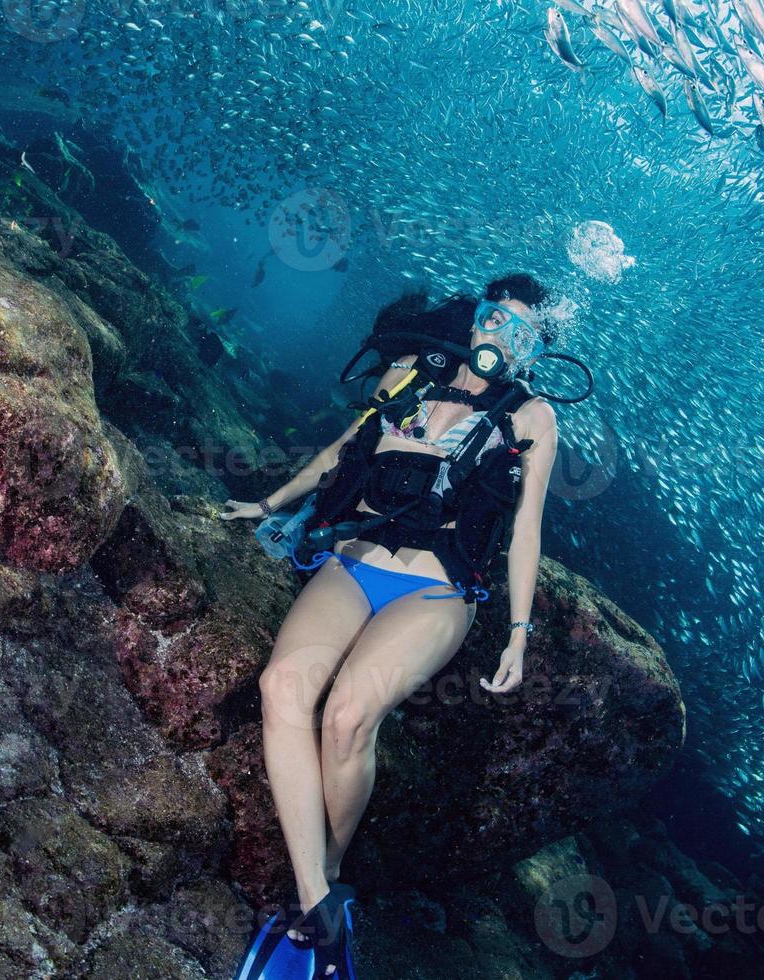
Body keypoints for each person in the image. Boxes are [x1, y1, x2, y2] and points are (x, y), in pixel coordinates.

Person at [219, 274, 562, 979]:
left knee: (347, 716)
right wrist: (268, 503)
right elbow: (340, 452)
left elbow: (526, 529)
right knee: (283, 686)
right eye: (497, 317)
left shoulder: (533, 417)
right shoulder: (412, 372)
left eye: (523, 333)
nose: (503, 335)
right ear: (476, 317)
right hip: (355, 562)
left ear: (533, 352)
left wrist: (519, 631)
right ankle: (321, 904)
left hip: (437, 592)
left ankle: (324, 883)